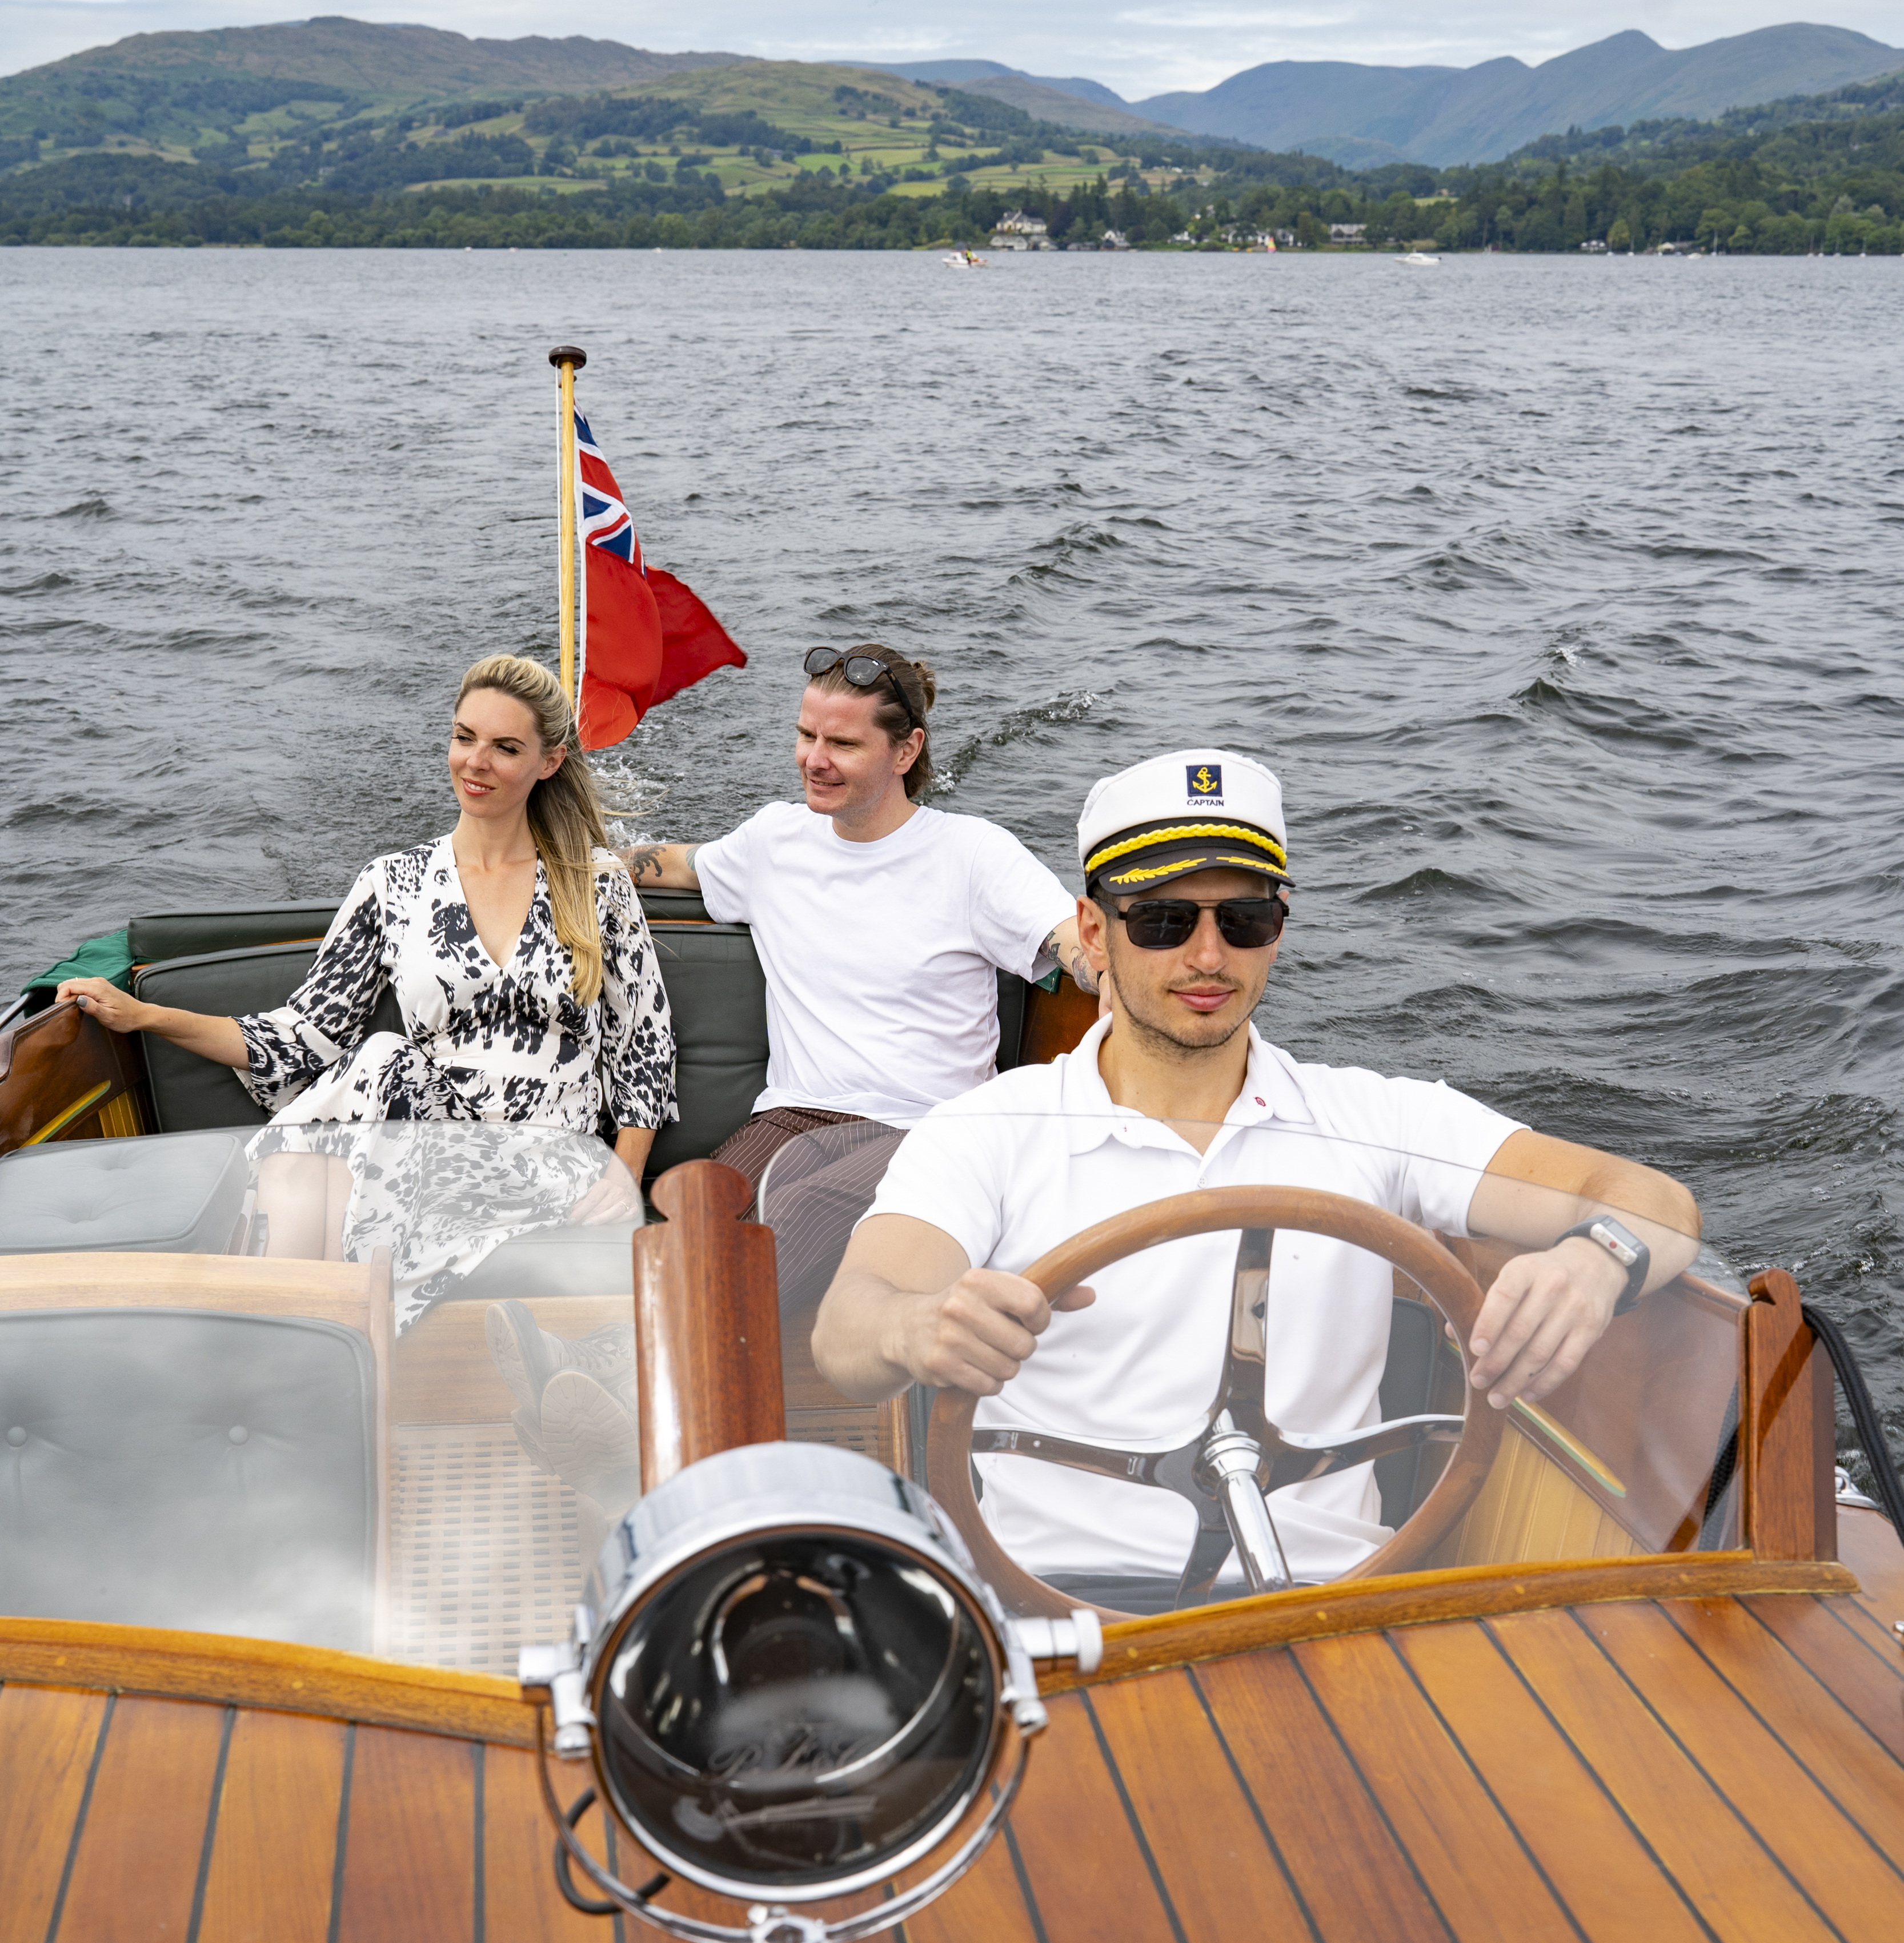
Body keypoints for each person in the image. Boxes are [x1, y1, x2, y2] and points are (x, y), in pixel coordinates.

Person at [812, 748, 1701, 1599]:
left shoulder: (1381, 1122)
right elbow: (849, 1331)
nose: (1208, 958)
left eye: (1243, 920)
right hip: (1061, 1605)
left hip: (1333, 1600)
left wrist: (1596, 1263)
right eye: (1163, 920)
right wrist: (919, 1327)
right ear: (1095, 930)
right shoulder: (985, 1132)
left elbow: (1652, 1203)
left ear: (1277, 932)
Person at [59, 653, 676, 1500]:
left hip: (551, 1150)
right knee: (374, 1076)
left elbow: (642, 1043)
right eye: (463, 739)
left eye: (503, 748)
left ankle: (277, 1403)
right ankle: (304, 1409)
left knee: (361, 1096)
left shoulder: (594, 885)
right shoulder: (393, 886)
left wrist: (625, 1169)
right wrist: (147, 1017)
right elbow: (303, 1036)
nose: (476, 764)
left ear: (549, 761)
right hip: (427, 1137)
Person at [623, 643, 1092, 1305]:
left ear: (906, 752)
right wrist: (557, 858)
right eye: (806, 734)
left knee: (791, 1222)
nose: (813, 759)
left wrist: (1108, 963)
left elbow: (1069, 941)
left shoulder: (974, 854)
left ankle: (626, 1377)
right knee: (691, 1213)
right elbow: (672, 865)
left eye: (841, 743)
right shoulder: (773, 842)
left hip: (927, 1128)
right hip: (789, 1119)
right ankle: (614, 1371)